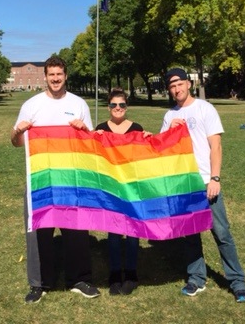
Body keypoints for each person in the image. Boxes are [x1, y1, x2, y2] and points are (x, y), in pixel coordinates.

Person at [11, 56, 99, 303]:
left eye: (59, 74)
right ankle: (39, 283)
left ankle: (79, 279)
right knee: (38, 231)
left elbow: (89, 141)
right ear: (45, 76)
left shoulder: (79, 103)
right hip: (41, 180)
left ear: (66, 75)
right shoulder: (31, 105)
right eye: (51, 75)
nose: (56, 79)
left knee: (77, 230)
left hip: (71, 179)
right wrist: (18, 131)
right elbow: (16, 142)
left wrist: (84, 129)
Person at [161, 68, 245, 303]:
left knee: (221, 233)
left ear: (188, 84)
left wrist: (215, 178)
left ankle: (237, 282)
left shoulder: (205, 108)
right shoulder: (169, 116)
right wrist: (170, 131)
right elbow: (161, 150)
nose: (176, 89)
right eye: (171, 86)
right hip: (184, 184)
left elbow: (216, 146)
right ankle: (196, 278)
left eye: (179, 84)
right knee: (190, 235)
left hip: (206, 181)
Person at [95, 88, 149, 296]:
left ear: (127, 107)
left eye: (122, 105)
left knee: (134, 231)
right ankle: (116, 273)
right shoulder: (101, 129)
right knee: (114, 231)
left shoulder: (136, 129)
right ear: (108, 107)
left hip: (132, 187)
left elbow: (145, 156)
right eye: (113, 105)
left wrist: (150, 139)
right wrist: (93, 138)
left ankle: (132, 274)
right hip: (110, 189)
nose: (118, 108)